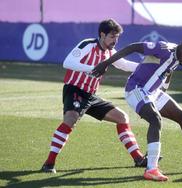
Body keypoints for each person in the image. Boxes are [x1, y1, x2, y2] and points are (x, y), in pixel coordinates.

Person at [91, 35, 182, 181]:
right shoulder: (163, 48)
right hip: (136, 89)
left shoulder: (179, 57)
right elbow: (133, 47)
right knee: (155, 120)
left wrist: (164, 87)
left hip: (153, 92)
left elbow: (169, 70)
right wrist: (105, 63)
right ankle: (151, 169)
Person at [41, 18, 149, 173]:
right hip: (75, 90)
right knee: (70, 119)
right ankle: (49, 163)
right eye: (112, 37)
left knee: (122, 117)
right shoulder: (88, 44)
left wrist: (146, 68)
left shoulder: (110, 52)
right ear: (102, 34)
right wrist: (93, 68)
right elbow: (67, 62)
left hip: (91, 96)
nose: (115, 41)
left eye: (117, 37)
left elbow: (124, 65)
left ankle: (138, 159)